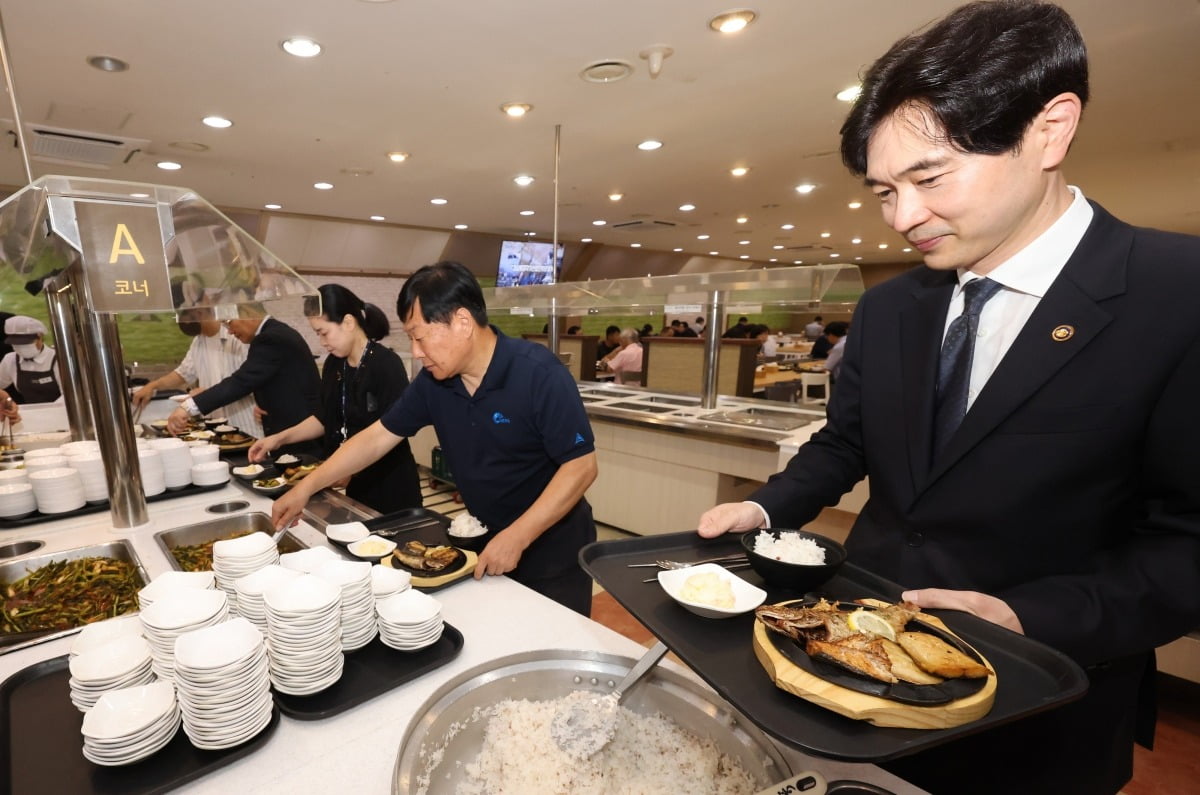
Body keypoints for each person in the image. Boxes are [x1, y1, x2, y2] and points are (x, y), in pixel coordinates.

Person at [696, 3, 1200, 793]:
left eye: (928, 178)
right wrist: (767, 509)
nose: (904, 217)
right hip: (853, 666)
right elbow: (846, 443)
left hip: (1039, 712)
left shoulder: (1178, 295)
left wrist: (1028, 618)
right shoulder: (893, 307)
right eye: (884, 192)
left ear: (1050, 130)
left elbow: (1188, 544)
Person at [272, 262, 598, 616]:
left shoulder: (537, 373)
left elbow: (581, 466)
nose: (415, 351)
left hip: (553, 550)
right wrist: (307, 487)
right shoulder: (435, 383)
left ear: (461, 322)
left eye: (419, 336)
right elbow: (377, 438)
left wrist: (519, 535)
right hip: (485, 541)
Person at [247, 284, 422, 514]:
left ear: (348, 323)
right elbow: (323, 417)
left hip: (391, 488)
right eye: (317, 333)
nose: (322, 342)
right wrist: (279, 439)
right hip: (355, 488)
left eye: (324, 332)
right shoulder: (333, 364)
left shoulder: (386, 364)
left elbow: (391, 434)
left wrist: (350, 471)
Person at [167, 303, 322, 458]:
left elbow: (241, 381)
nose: (230, 331)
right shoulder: (274, 332)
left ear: (246, 312)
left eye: (228, 322)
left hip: (303, 439)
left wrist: (189, 407)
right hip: (291, 434)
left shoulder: (270, 338)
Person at [131, 309, 258, 434]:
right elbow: (183, 373)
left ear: (199, 311)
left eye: (184, 315)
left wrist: (204, 394)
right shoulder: (198, 342)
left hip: (244, 424)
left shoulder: (236, 336)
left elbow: (247, 382)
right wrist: (152, 386)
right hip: (214, 425)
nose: (181, 321)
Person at [0, 316, 62, 406]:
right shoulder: (10, 360)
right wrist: (7, 401)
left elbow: (69, 396)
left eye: (26, 343)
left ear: (40, 337)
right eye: (16, 344)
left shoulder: (58, 360)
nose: (21, 347)